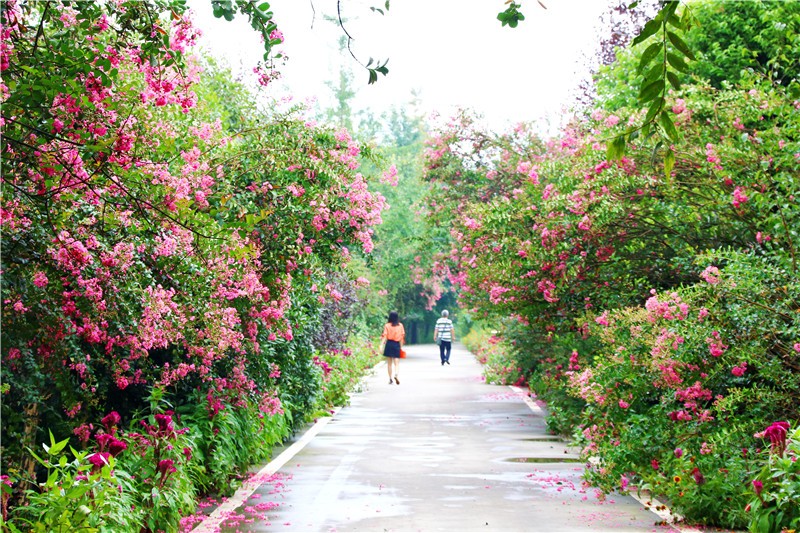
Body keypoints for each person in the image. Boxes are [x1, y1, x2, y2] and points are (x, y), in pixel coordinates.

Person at [380, 311, 405, 385]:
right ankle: (396, 374)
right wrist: (401, 347)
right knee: (396, 362)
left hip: (389, 344)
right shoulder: (400, 325)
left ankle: (390, 379)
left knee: (389, 363)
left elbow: (385, 336)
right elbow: (402, 337)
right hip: (396, 344)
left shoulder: (387, 325)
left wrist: (381, 345)